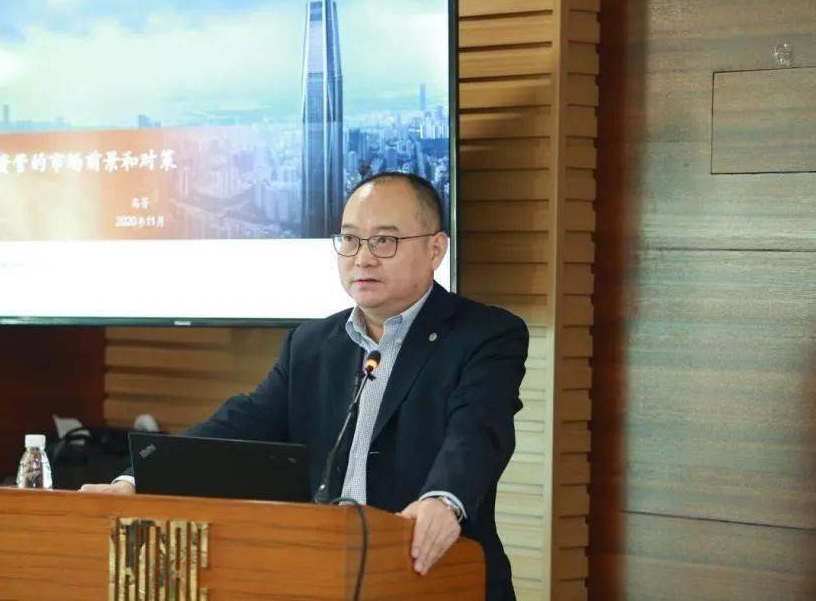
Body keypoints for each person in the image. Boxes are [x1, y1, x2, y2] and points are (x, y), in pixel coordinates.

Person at [82, 172, 528, 600]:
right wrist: (138, 481)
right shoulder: (312, 344)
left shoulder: (484, 335)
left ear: (435, 249)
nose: (363, 258)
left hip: (433, 576)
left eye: (384, 241)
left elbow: (477, 430)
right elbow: (238, 425)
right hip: (324, 578)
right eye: (350, 239)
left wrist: (443, 501)